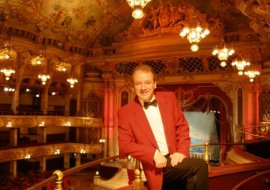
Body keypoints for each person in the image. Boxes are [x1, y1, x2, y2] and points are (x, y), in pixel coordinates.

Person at [117, 64, 209, 190]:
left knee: (199, 167)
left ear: (155, 84)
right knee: (199, 167)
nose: (143, 87)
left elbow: (182, 126)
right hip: (154, 167)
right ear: (133, 87)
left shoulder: (169, 98)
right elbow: (125, 144)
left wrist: (181, 152)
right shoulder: (125, 112)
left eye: (147, 82)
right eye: (138, 83)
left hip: (174, 159)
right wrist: (153, 154)